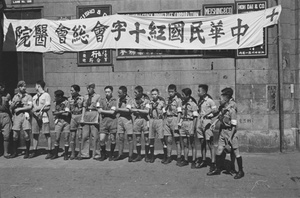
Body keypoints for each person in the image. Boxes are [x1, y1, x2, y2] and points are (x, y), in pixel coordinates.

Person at [207, 87, 245, 179]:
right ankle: (217, 169)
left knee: (236, 152)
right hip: (223, 132)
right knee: (219, 150)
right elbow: (220, 116)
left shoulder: (232, 109)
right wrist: (214, 124)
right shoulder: (224, 108)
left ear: (226, 98)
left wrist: (230, 137)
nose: (220, 99)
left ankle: (240, 171)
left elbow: (234, 126)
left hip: (230, 132)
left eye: (221, 97)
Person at [195, 84, 217, 170]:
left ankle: (213, 163)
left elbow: (215, 111)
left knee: (210, 142)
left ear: (204, 91)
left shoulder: (210, 101)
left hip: (207, 121)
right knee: (202, 142)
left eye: (199, 90)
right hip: (200, 121)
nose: (197, 92)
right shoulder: (200, 100)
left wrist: (207, 114)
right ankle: (203, 160)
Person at [10, 81, 33, 159]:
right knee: (15, 135)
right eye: (23, 86)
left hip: (25, 115)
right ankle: (15, 152)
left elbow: (29, 107)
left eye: (25, 86)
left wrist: (20, 108)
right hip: (17, 116)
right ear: (19, 87)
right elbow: (11, 107)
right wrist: (15, 102)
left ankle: (27, 152)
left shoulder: (28, 96)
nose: (24, 87)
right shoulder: (15, 96)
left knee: (26, 134)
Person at [30, 80, 52, 159]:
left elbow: (48, 106)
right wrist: (34, 112)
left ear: (39, 86)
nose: (35, 87)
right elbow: (32, 107)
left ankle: (49, 151)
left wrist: (40, 110)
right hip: (35, 117)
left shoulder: (46, 95)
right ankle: (34, 150)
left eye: (36, 85)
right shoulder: (35, 96)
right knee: (35, 133)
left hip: (43, 116)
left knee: (47, 133)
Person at [80, 83, 101, 160]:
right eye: (87, 88)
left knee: (95, 136)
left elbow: (99, 108)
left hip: (94, 114)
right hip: (87, 114)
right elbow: (84, 108)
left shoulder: (97, 96)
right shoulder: (85, 97)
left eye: (90, 88)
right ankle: (85, 153)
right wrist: (82, 118)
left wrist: (97, 119)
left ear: (93, 88)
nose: (88, 89)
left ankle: (96, 154)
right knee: (85, 136)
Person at [163, 84, 182, 165]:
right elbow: (164, 109)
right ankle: (169, 156)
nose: (170, 93)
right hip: (167, 119)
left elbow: (179, 112)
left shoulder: (178, 100)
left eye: (172, 92)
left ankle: (179, 157)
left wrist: (178, 123)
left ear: (175, 92)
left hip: (174, 119)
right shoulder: (167, 100)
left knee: (177, 140)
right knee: (169, 140)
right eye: (169, 92)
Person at [179, 88, 198, 167]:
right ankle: (186, 159)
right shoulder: (182, 103)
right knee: (185, 143)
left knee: (192, 143)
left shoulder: (193, 104)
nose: (182, 96)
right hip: (183, 123)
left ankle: (194, 160)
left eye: (183, 95)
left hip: (190, 123)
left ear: (188, 95)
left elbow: (195, 117)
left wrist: (193, 128)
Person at [97, 86, 117, 161]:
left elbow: (112, 112)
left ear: (112, 92)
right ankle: (103, 154)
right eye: (106, 92)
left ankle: (111, 154)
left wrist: (102, 111)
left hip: (112, 121)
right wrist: (102, 111)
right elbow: (99, 110)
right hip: (104, 120)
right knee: (102, 139)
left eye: (108, 92)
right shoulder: (101, 100)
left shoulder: (115, 100)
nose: (107, 93)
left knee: (112, 139)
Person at [131, 85, 151, 162]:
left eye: (136, 92)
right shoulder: (133, 100)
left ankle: (147, 156)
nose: (134, 94)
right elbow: (132, 110)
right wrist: (139, 111)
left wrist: (137, 110)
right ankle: (139, 155)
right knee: (138, 139)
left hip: (145, 120)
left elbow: (147, 111)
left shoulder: (146, 101)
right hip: (137, 120)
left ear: (140, 92)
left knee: (146, 139)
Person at [114, 86, 134, 162]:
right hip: (120, 119)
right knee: (120, 137)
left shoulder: (129, 100)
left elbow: (128, 110)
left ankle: (130, 155)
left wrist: (118, 109)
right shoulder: (119, 99)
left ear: (125, 93)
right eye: (118, 93)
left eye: (120, 93)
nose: (118, 94)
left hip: (127, 119)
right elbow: (116, 108)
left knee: (130, 138)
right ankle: (120, 154)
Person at [52, 90, 71, 160]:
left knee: (66, 138)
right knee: (57, 138)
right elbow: (54, 113)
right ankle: (55, 153)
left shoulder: (66, 102)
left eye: (56, 96)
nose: (55, 97)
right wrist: (62, 111)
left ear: (60, 96)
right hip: (58, 121)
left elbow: (67, 114)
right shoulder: (55, 103)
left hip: (66, 122)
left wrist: (59, 112)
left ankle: (66, 154)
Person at [148, 88, 166, 163]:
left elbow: (164, 113)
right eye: (152, 94)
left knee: (162, 138)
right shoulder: (149, 103)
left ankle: (165, 156)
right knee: (151, 139)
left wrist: (163, 122)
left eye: (155, 94)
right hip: (152, 120)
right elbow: (148, 112)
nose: (154, 96)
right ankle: (152, 156)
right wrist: (149, 120)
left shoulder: (162, 103)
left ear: (158, 94)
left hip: (159, 120)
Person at [68, 84, 84, 160]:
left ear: (77, 91)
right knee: (72, 136)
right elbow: (68, 108)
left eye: (72, 90)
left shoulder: (82, 98)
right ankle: (73, 153)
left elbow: (84, 108)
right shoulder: (69, 99)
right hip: (73, 116)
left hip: (79, 116)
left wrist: (83, 118)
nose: (71, 92)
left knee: (80, 136)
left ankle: (80, 153)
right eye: (70, 90)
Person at [0, 82, 12, 158]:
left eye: (3, 87)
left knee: (6, 135)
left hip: (5, 115)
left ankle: (5, 152)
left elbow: (10, 106)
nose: (3, 88)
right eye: (1, 87)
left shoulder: (7, 95)